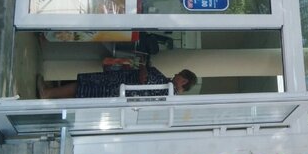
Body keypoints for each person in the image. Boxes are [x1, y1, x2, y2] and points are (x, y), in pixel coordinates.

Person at [37, 65, 197, 99]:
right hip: (119, 88)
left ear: (184, 81)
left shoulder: (168, 89)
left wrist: (144, 68)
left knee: (83, 89)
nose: (175, 74)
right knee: (83, 91)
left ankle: (48, 93)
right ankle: (51, 94)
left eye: (179, 75)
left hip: (116, 87)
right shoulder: (170, 93)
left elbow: (145, 81)